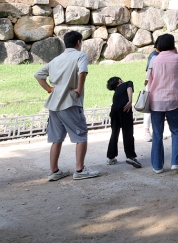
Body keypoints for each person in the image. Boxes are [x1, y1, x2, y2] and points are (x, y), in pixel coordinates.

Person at [34, 30, 100, 181]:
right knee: (81, 135)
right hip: (70, 102)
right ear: (78, 42)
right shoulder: (80, 55)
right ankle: (80, 169)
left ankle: (54, 171)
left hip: (54, 103)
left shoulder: (56, 59)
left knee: (56, 138)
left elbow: (38, 75)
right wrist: (79, 89)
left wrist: (49, 89)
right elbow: (82, 71)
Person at [147, 33, 178, 173]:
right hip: (173, 100)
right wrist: (176, 53)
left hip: (156, 100)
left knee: (157, 133)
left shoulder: (154, 59)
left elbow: (149, 79)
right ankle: (176, 162)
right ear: (173, 44)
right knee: (176, 131)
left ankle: (157, 166)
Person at [106, 77, 141, 168]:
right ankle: (130, 156)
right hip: (125, 108)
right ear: (119, 81)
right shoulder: (128, 83)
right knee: (127, 132)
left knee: (114, 133)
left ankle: (111, 157)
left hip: (114, 111)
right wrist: (130, 101)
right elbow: (129, 89)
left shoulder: (116, 92)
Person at [144, 45, 160, 142]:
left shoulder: (157, 55)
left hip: (155, 86)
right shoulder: (154, 56)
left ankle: (155, 132)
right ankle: (146, 131)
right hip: (151, 85)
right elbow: (148, 73)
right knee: (148, 109)